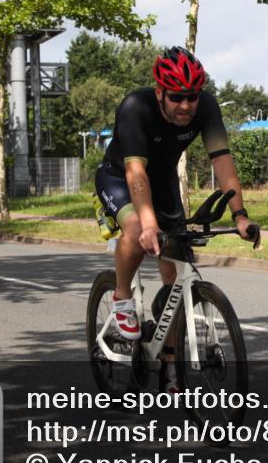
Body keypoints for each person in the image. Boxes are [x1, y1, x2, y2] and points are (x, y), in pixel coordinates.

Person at [94, 46, 258, 345]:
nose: (185, 105)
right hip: (119, 177)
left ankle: (170, 370)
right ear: (160, 93)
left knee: (176, 277)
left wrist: (240, 215)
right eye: (176, 97)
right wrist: (148, 223)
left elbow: (221, 159)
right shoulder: (135, 107)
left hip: (163, 182)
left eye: (192, 97)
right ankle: (122, 297)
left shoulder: (206, 107)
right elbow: (135, 173)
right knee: (135, 228)